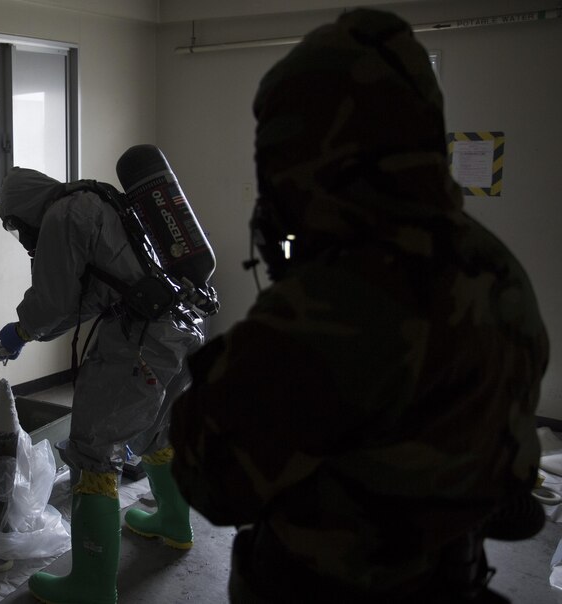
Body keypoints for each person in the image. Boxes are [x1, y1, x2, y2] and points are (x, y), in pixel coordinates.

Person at [169, 9, 549, 603]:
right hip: (458, 578)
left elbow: (211, 477)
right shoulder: (493, 265)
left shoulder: (333, 308)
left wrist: (243, 347)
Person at [0, 167, 208, 604]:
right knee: (157, 433)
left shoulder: (60, 216)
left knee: (92, 453)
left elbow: (54, 299)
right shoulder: (98, 201)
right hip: (181, 327)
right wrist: (33, 330)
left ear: (24, 207)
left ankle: (90, 586)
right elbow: (93, 293)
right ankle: (173, 524)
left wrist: (21, 329)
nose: (19, 233)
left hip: (141, 343)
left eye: (15, 224)